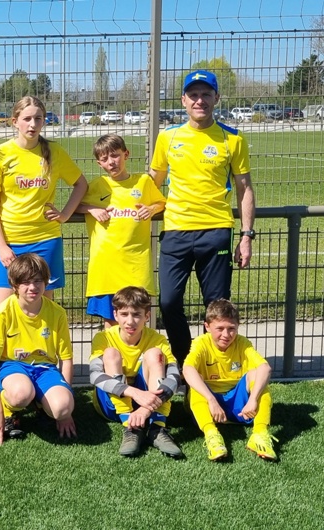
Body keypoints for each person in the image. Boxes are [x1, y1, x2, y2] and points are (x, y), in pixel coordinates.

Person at [150, 70, 256, 366]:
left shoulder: (232, 139)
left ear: (216, 98)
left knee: (217, 308)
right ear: (183, 100)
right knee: (169, 302)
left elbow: (245, 188)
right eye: (193, 95)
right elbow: (152, 181)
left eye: (206, 94)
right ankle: (186, 363)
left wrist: (247, 236)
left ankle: (213, 367)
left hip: (216, 232)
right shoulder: (168, 137)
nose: (200, 100)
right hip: (176, 231)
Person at [0, 96, 88, 310]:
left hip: (45, 241)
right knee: (1, 313)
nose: (33, 124)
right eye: (27, 119)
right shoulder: (2, 153)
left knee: (41, 313)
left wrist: (65, 215)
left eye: (38, 118)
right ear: (15, 121)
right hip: (10, 244)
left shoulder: (55, 152)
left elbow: (81, 184)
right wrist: (1, 246)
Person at [0, 253, 76, 445]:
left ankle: (41, 403)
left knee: (62, 407)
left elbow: (66, 358)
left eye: (37, 281)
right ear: (14, 285)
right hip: (12, 366)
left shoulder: (57, 313)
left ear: (46, 282)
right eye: (25, 282)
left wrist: (66, 413)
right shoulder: (2, 313)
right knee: (21, 394)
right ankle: (8, 408)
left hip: (45, 368)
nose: (33, 287)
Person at [78, 135, 165, 328]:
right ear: (99, 163)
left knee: (135, 322)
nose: (111, 162)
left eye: (115, 155)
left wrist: (151, 209)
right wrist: (91, 209)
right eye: (104, 159)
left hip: (136, 267)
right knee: (112, 324)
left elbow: (161, 202)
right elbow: (75, 206)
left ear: (126, 154)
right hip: (106, 267)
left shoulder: (143, 182)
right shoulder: (98, 185)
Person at [89, 286, 183, 458]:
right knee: (110, 354)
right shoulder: (103, 338)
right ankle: (130, 427)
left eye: (137, 314)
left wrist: (145, 408)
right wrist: (134, 393)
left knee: (155, 354)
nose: (130, 321)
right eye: (124, 314)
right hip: (111, 405)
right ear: (115, 315)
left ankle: (157, 427)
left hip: (148, 404)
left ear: (147, 316)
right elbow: (94, 375)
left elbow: (175, 377)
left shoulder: (157, 339)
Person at [183, 299, 276, 461]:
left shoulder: (243, 343)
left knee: (257, 375)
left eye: (231, 329)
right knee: (196, 381)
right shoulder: (201, 343)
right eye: (220, 329)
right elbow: (187, 369)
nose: (226, 335)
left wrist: (253, 400)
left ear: (237, 327)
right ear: (207, 327)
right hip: (210, 405)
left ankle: (260, 434)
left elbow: (265, 368)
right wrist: (211, 400)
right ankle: (212, 435)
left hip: (240, 406)